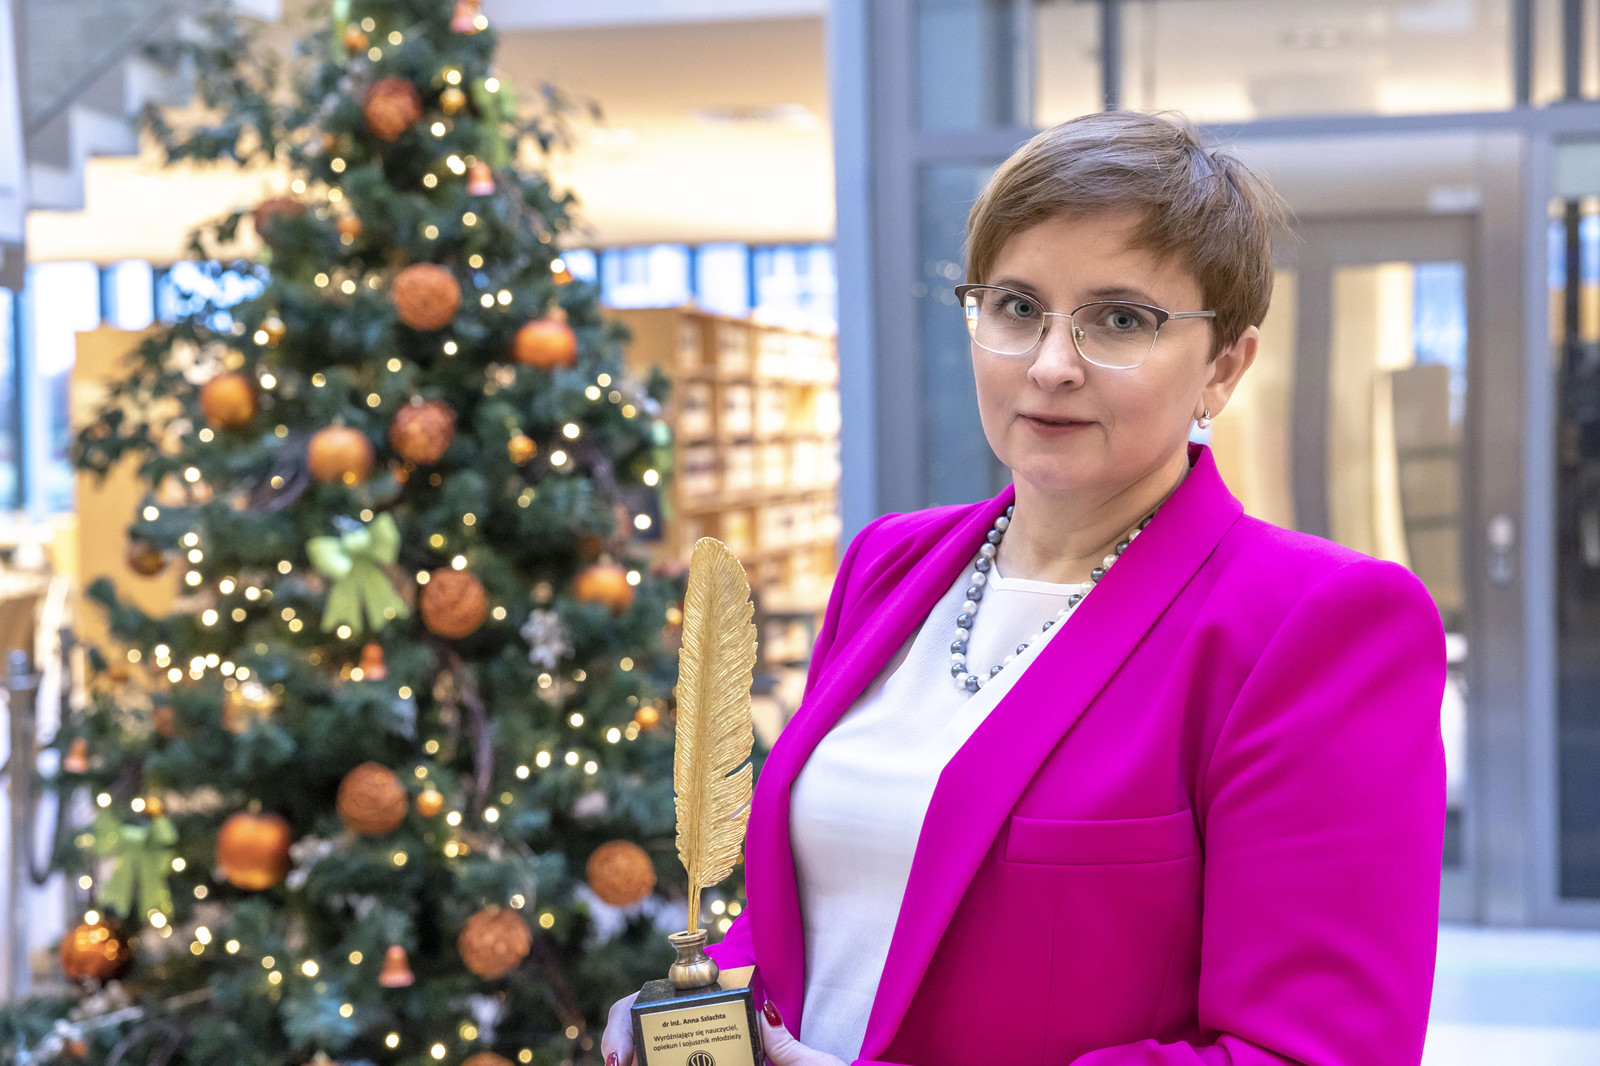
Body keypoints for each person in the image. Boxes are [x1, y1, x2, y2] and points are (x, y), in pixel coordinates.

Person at [604, 110, 1445, 1066]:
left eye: (1120, 320)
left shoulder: (1313, 624)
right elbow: (823, 901)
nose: (1049, 366)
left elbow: (1309, 1053)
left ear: (1224, 367)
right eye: (1016, 307)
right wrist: (702, 1007)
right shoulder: (888, 565)